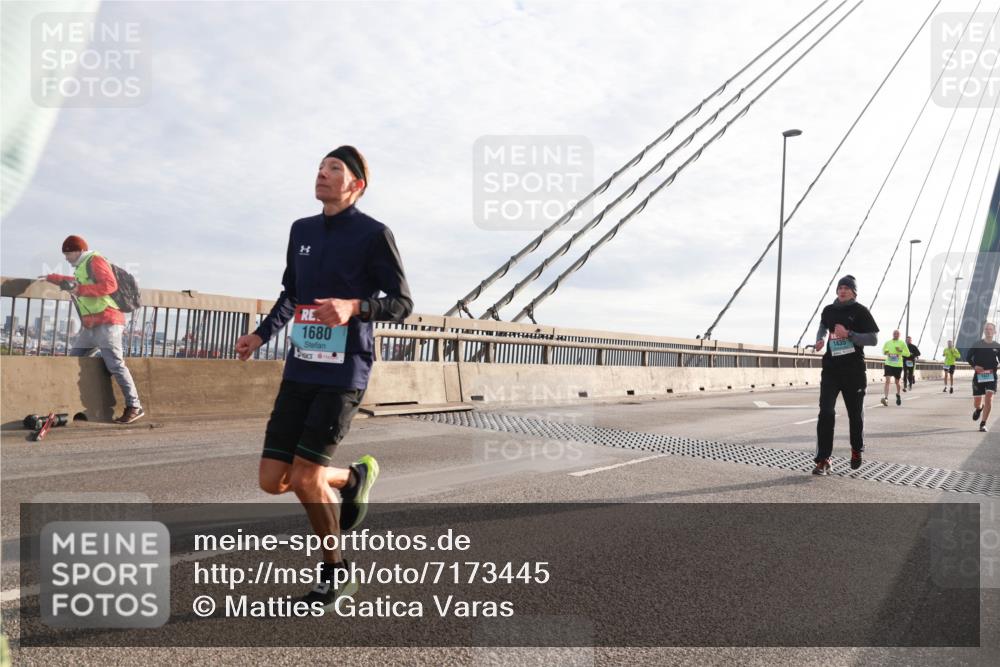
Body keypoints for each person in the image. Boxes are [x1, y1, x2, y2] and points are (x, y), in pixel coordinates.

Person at [235, 146, 413, 609]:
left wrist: (355, 307)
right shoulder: (302, 231)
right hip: (301, 367)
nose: (323, 174)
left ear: (356, 185)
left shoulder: (374, 235)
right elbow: (290, 296)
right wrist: (260, 335)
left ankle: (336, 572)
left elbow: (401, 302)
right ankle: (352, 480)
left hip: (344, 371)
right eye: (319, 167)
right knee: (274, 479)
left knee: (307, 477)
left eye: (335, 169)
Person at [45, 235, 144, 424]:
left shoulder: (95, 260)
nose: (66, 258)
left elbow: (109, 285)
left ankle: (135, 406)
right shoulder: (83, 266)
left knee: (115, 364)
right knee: (73, 360)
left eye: (68, 253)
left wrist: (79, 290)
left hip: (108, 322)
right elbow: (76, 283)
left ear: (79, 251)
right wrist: (52, 278)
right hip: (91, 327)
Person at [812, 275, 879, 475]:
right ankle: (823, 458)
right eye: (840, 287)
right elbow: (823, 326)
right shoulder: (828, 310)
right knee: (825, 412)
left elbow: (873, 339)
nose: (842, 291)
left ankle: (856, 449)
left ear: (853, 292)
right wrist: (820, 339)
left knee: (855, 415)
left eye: (847, 288)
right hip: (831, 369)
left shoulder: (860, 311)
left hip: (854, 372)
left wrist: (848, 334)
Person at [966, 322, 1000, 432]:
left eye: (990, 329)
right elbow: (968, 357)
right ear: (984, 331)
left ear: (994, 332)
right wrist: (974, 366)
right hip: (978, 376)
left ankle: (983, 423)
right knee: (977, 403)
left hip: (992, 375)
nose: (988, 331)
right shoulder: (977, 344)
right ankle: (979, 409)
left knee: (989, 398)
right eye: (986, 329)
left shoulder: (997, 346)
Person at [880, 330, 909, 407]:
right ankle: (886, 398)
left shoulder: (902, 343)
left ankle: (898, 395)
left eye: (897, 334)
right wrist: (887, 352)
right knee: (887, 380)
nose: (895, 335)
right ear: (892, 334)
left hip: (898, 365)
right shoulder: (888, 342)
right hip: (888, 364)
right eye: (894, 333)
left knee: (897, 382)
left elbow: (908, 354)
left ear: (899, 335)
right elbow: (883, 351)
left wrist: (900, 351)